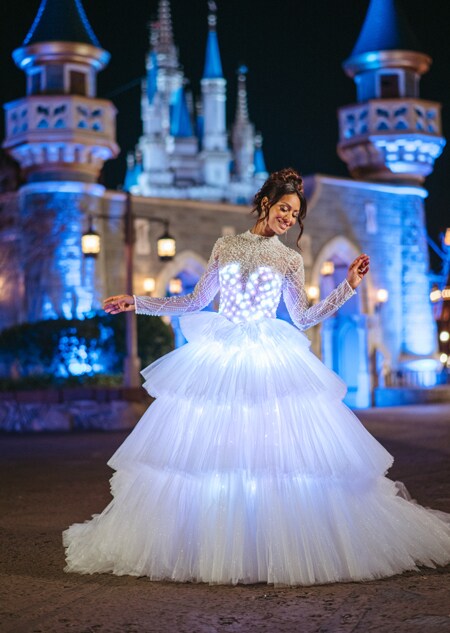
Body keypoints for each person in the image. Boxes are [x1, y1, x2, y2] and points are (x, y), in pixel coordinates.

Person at [64, 168, 450, 586]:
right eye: (284, 208)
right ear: (266, 204)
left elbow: (304, 318)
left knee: (275, 455)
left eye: (295, 213)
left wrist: (349, 286)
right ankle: (219, 539)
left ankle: (273, 542)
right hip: (223, 354)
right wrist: (137, 302)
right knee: (212, 456)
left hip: (268, 355)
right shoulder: (225, 245)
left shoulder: (289, 258)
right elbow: (195, 300)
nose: (289, 218)